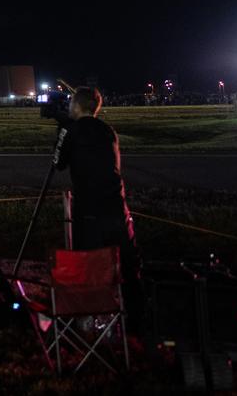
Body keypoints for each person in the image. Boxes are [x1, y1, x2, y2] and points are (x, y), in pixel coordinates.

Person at [55, 85, 143, 314]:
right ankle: (136, 317)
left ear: (77, 105)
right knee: (128, 267)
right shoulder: (107, 130)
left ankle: (92, 318)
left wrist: (61, 130)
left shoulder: (72, 131)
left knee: (89, 267)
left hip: (89, 211)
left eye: (71, 102)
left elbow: (58, 163)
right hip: (116, 207)